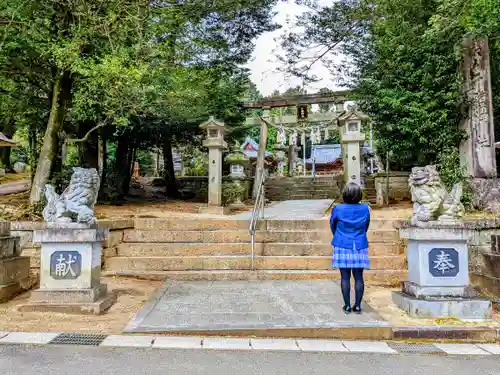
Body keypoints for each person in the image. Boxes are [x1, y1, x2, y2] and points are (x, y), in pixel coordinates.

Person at [330, 182, 370, 314]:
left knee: (344, 277)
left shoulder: (338, 208)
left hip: (342, 244)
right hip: (359, 244)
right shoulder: (365, 208)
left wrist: (339, 235)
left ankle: (347, 306)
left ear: (345, 194)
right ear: (359, 195)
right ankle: (357, 306)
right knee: (359, 277)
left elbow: (333, 225)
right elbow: (366, 226)